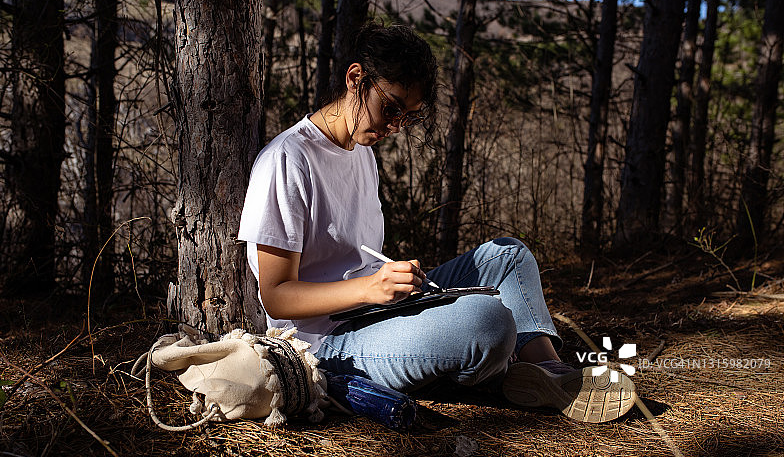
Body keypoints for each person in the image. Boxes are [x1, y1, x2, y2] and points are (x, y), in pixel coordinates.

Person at [238, 23, 635, 423]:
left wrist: (392, 285)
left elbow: (359, 260)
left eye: (406, 117)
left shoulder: (361, 152)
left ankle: (549, 373)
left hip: (376, 313)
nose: (394, 126)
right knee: (488, 319)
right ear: (356, 79)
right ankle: (498, 369)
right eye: (390, 108)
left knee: (509, 255)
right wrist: (371, 288)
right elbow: (276, 296)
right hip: (326, 344)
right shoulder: (287, 160)